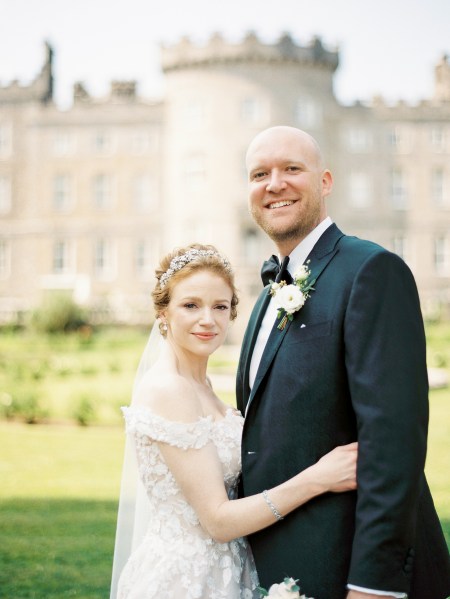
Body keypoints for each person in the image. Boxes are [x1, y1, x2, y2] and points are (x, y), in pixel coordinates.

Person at [237, 125, 450, 599]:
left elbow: (393, 442)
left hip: (349, 571)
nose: (275, 184)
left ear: (326, 181)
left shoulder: (371, 270)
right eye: (259, 174)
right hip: (281, 566)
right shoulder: (265, 297)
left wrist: (374, 584)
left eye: (292, 169)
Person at [110, 243, 358, 599]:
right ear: (163, 314)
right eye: (191, 305)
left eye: (220, 306)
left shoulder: (204, 388)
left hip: (227, 571)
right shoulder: (169, 390)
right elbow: (218, 521)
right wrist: (318, 478)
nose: (208, 319)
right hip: (186, 581)